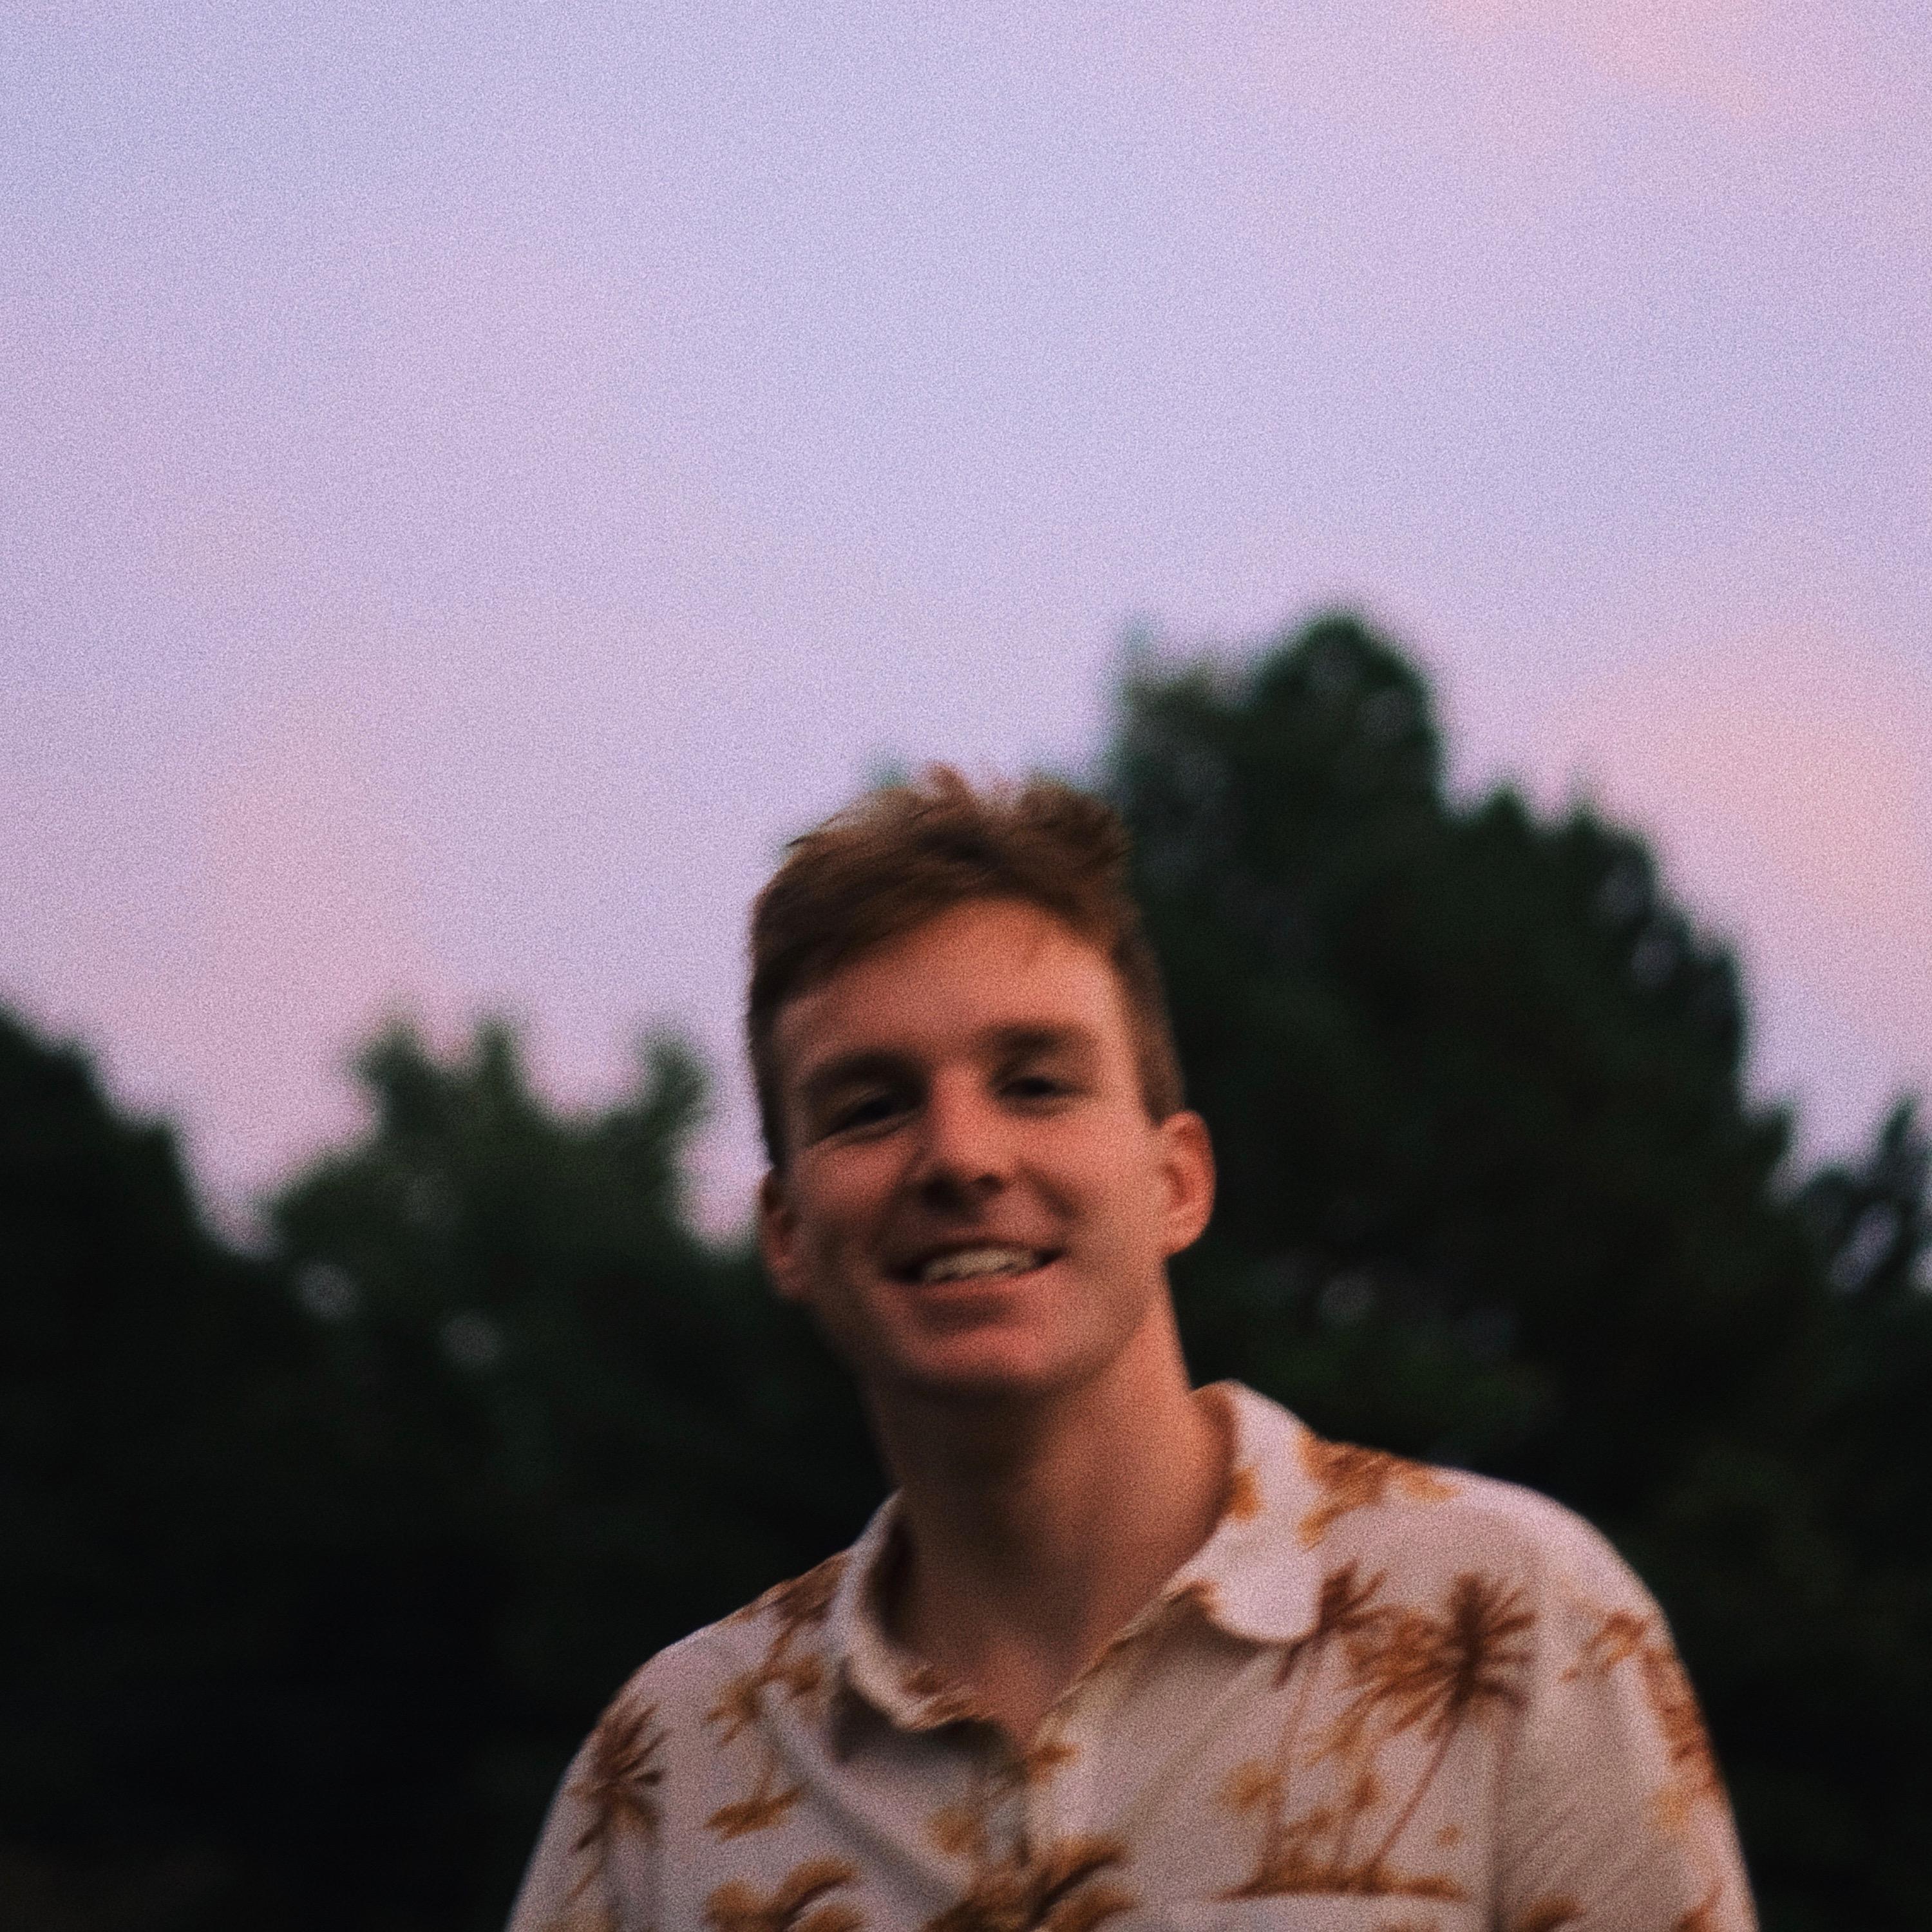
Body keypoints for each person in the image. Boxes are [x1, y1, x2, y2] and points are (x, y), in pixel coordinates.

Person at [506, 769, 1756, 1932]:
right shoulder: (670, 1771)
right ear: (785, 1231)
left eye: (1036, 1083)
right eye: (872, 1107)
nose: (961, 1156)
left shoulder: (1514, 1626)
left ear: (1178, 1181)